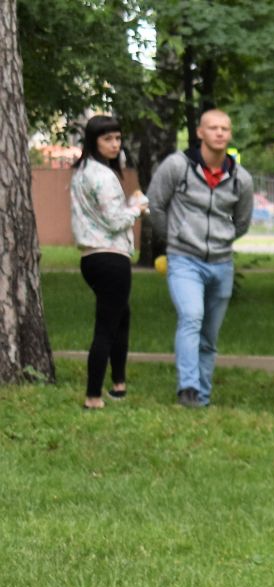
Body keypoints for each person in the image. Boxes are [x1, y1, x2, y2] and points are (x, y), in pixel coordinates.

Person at [146, 107, 254, 409]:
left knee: (209, 336)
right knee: (191, 316)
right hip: (184, 259)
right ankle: (188, 387)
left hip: (222, 263)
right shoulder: (177, 166)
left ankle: (201, 400)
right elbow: (155, 205)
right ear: (200, 133)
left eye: (225, 128)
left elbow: (243, 221)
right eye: (213, 127)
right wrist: (175, 237)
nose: (220, 133)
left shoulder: (240, 178)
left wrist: (222, 239)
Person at [68, 115, 146, 410]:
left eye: (117, 138)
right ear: (93, 141)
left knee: (120, 317)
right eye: (107, 139)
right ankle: (92, 396)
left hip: (91, 257)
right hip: (110, 258)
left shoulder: (82, 172)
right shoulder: (101, 175)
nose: (115, 145)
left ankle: (119, 384)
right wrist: (137, 207)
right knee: (107, 326)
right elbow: (115, 221)